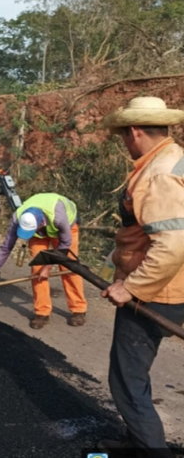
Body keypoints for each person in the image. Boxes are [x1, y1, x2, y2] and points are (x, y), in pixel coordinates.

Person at [96, 96, 184, 455]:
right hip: (174, 283)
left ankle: (151, 451)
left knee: (126, 380)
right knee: (133, 377)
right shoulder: (175, 158)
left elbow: (173, 244)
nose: (125, 144)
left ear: (134, 131)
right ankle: (137, 441)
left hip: (158, 291)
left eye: (123, 137)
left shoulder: (158, 174)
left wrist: (130, 287)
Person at [0, 193, 88, 329]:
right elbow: (5, 249)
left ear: (40, 224)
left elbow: (64, 245)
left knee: (69, 267)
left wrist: (48, 267)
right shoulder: (17, 218)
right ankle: (42, 312)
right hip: (40, 233)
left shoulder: (59, 217)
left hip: (67, 227)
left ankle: (78, 309)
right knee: (37, 269)